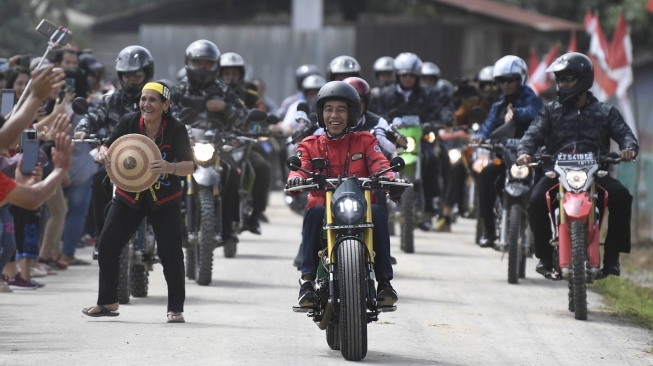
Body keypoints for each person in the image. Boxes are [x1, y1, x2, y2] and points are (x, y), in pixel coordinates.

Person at [516, 52, 638, 277]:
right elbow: (532, 135)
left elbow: (625, 134)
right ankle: (544, 255)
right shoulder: (550, 111)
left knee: (622, 196)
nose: (562, 84)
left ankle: (612, 257)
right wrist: (525, 152)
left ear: (583, 79)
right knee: (534, 201)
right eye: (560, 79)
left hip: (595, 173)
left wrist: (628, 148)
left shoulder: (605, 112)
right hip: (556, 173)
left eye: (568, 78)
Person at [82, 81, 195, 322]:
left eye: (153, 100)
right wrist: (103, 151)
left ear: (166, 105)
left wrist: (170, 166)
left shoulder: (176, 128)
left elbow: (190, 165)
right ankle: (108, 301)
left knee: (171, 253)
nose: (146, 104)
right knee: (107, 245)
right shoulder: (129, 122)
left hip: (164, 198)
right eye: (144, 99)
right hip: (128, 194)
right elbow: (109, 145)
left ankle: (176, 308)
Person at [288, 81, 400, 308]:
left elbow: (379, 162)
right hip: (324, 206)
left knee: (378, 212)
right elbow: (298, 167)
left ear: (352, 113)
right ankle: (307, 281)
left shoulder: (366, 140)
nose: (334, 115)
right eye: (328, 109)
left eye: (341, 109)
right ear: (321, 114)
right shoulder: (310, 144)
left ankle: (385, 282)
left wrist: (389, 179)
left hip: (360, 207)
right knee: (314, 213)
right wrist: (296, 179)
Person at [74, 46, 154, 257]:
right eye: (126, 75)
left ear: (147, 74)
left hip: (150, 161)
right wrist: (82, 129)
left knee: (170, 185)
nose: (131, 80)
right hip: (115, 162)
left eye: (137, 75)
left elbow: (175, 120)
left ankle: (169, 235)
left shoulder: (156, 100)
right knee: (98, 180)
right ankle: (101, 236)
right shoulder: (111, 100)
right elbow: (92, 116)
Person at [170, 39, 247, 245]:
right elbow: (166, 112)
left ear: (215, 65)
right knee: (167, 175)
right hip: (185, 146)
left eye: (207, 63)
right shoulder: (178, 90)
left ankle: (229, 227)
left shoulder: (224, 91)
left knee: (231, 172)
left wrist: (225, 107)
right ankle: (166, 226)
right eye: (198, 63)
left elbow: (243, 116)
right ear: (190, 64)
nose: (203, 67)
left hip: (217, 147)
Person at [370, 52, 450, 230]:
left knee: (433, 158)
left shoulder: (428, 95)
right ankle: (375, 201)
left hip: (420, 140)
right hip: (392, 140)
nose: (407, 78)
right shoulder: (384, 95)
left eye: (411, 75)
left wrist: (442, 119)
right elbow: (376, 112)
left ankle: (432, 201)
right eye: (404, 75)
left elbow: (442, 109)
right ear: (397, 75)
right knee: (377, 161)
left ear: (417, 76)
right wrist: (384, 124)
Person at [472, 55, 543, 248]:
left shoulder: (531, 99)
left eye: (509, 80)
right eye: (501, 81)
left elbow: (538, 114)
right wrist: (480, 136)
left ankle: (547, 238)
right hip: (505, 158)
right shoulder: (498, 106)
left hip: (530, 159)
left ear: (520, 78)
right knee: (485, 176)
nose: (505, 84)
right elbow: (488, 127)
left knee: (546, 186)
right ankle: (488, 230)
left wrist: (517, 113)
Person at [434, 69, 494, 233]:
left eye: (493, 87)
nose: (490, 91)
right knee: (455, 169)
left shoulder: (502, 106)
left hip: (496, 153)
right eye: (486, 86)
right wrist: (451, 126)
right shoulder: (471, 105)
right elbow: (455, 119)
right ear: (479, 86)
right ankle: (446, 215)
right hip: (472, 151)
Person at [218, 52, 270, 234]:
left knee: (262, 167)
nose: (231, 78)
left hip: (244, 140)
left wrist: (261, 126)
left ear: (240, 74)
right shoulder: (213, 91)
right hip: (216, 143)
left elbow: (260, 110)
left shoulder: (249, 90)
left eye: (234, 74)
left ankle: (255, 215)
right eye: (226, 74)